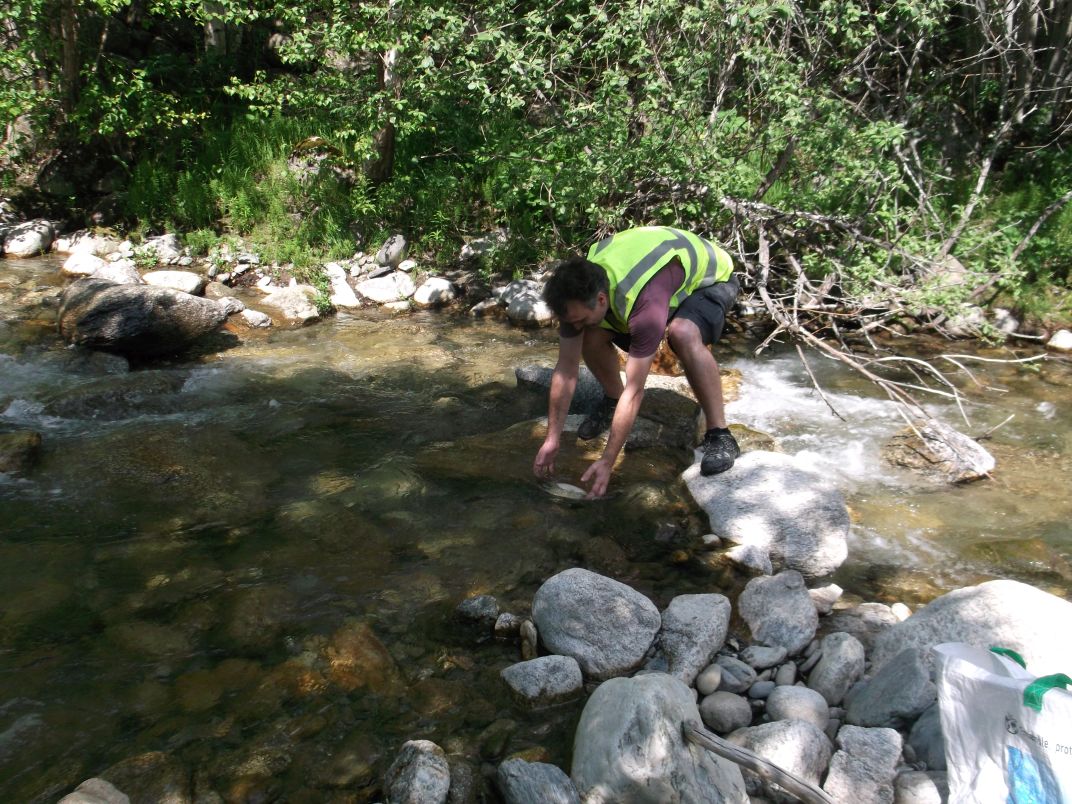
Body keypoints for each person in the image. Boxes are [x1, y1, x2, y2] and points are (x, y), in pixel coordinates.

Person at [532, 226, 741, 498]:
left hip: (712, 280)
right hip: (653, 278)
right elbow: (566, 370)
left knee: (682, 332)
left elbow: (635, 389)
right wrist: (552, 439)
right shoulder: (578, 294)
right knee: (591, 334)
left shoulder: (645, 304)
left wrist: (608, 460)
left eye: (579, 319)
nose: (575, 326)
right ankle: (610, 399)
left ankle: (720, 433)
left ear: (601, 299)